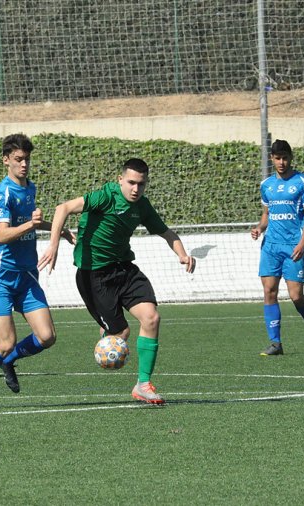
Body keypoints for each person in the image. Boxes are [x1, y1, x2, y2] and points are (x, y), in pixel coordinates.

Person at [39, 158, 196, 405]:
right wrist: (54, 244)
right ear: (120, 180)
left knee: (151, 318)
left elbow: (167, 232)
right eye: (131, 182)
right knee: (121, 333)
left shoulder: (142, 206)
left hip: (124, 270)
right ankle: (108, 334)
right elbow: (63, 208)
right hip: (94, 276)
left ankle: (143, 385)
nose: (136, 189)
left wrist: (183, 254)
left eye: (141, 184)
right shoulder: (105, 197)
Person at [0, 133, 75, 408]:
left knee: (47, 337)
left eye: (27, 159)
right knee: (5, 341)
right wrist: (31, 225)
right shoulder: (1, 193)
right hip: (2, 277)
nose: (24, 164)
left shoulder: (30, 188)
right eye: (18, 159)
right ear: (6, 160)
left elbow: (33, 222)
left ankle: (10, 360)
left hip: (27, 276)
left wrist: (59, 230)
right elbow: (3, 235)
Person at [250, 139, 304, 356]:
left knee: (296, 296)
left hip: (293, 246)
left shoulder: (303, 182)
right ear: (272, 159)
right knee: (269, 291)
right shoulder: (266, 185)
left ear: (291, 158)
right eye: (278, 158)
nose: (282, 162)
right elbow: (266, 215)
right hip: (270, 245)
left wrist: (302, 244)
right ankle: (275, 343)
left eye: (285, 158)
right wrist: (259, 228)